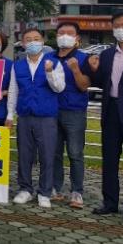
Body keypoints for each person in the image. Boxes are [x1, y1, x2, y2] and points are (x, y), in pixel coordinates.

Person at [8, 28, 65, 209]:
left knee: (47, 155)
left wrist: (50, 72)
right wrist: (10, 114)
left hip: (46, 116)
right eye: (28, 39)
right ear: (23, 44)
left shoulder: (53, 62)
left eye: (36, 38)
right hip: (25, 116)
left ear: (43, 41)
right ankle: (25, 189)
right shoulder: (18, 65)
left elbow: (59, 88)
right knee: (24, 154)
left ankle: (45, 192)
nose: (33, 42)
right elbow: (13, 91)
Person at [87, 11, 123, 218]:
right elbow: (100, 82)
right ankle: (110, 202)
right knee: (109, 160)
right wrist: (94, 70)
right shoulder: (107, 54)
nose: (121, 29)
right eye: (117, 26)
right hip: (110, 111)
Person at [50, 22, 91, 209]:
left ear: (77, 38)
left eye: (69, 33)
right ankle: (55, 188)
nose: (64, 36)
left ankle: (77, 191)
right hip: (51, 111)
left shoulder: (84, 58)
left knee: (75, 153)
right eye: (61, 33)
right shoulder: (48, 57)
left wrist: (75, 69)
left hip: (74, 112)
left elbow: (84, 86)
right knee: (54, 152)